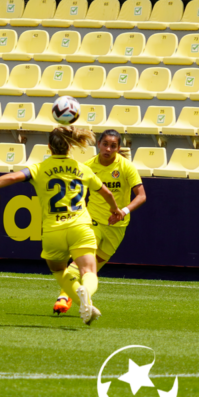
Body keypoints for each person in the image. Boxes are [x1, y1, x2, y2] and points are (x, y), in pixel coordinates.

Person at [0, 126, 123, 325]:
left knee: (60, 271)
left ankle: (84, 304)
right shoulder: (82, 168)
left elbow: (11, 177)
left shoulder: (39, 168)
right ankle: (86, 292)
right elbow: (107, 194)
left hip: (53, 231)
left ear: (49, 147)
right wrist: (115, 210)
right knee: (89, 272)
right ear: (70, 146)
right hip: (80, 227)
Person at [53, 129, 146, 315]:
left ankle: (78, 297)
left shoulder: (126, 167)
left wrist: (124, 211)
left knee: (92, 269)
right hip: (91, 222)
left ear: (118, 148)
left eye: (113, 146)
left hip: (116, 227)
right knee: (81, 264)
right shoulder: (88, 166)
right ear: (98, 145)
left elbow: (142, 196)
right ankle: (63, 297)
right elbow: (76, 194)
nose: (108, 149)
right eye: (105, 144)